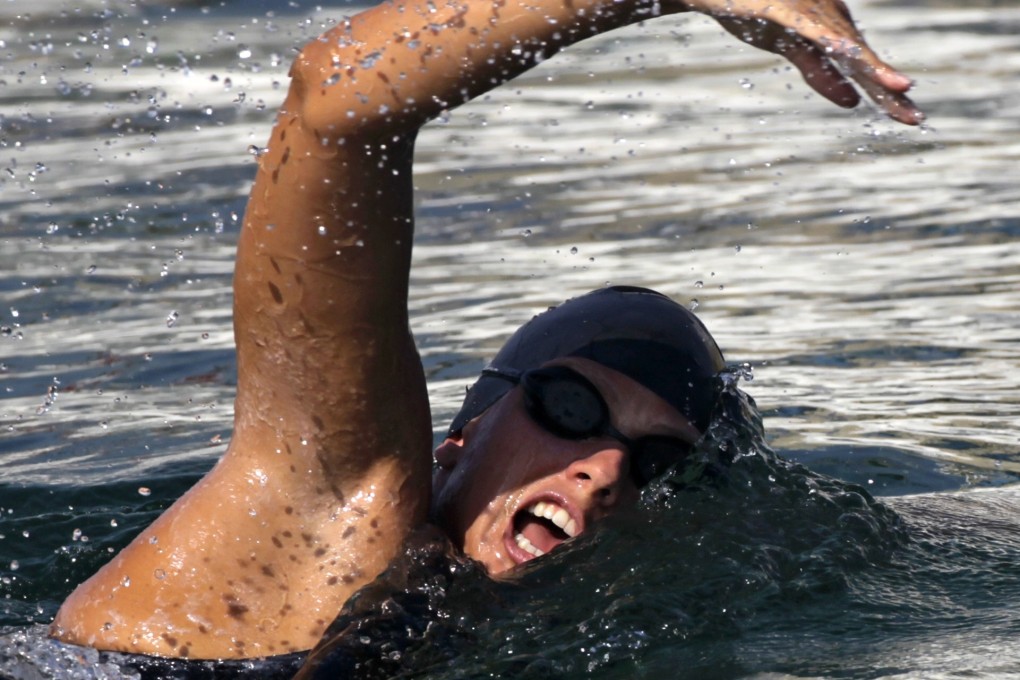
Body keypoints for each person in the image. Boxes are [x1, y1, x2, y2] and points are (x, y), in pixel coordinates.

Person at [48, 0, 922, 667]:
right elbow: (336, 106)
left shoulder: (506, 627)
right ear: (461, 437)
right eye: (571, 407)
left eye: (656, 462)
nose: (606, 468)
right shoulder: (334, 518)